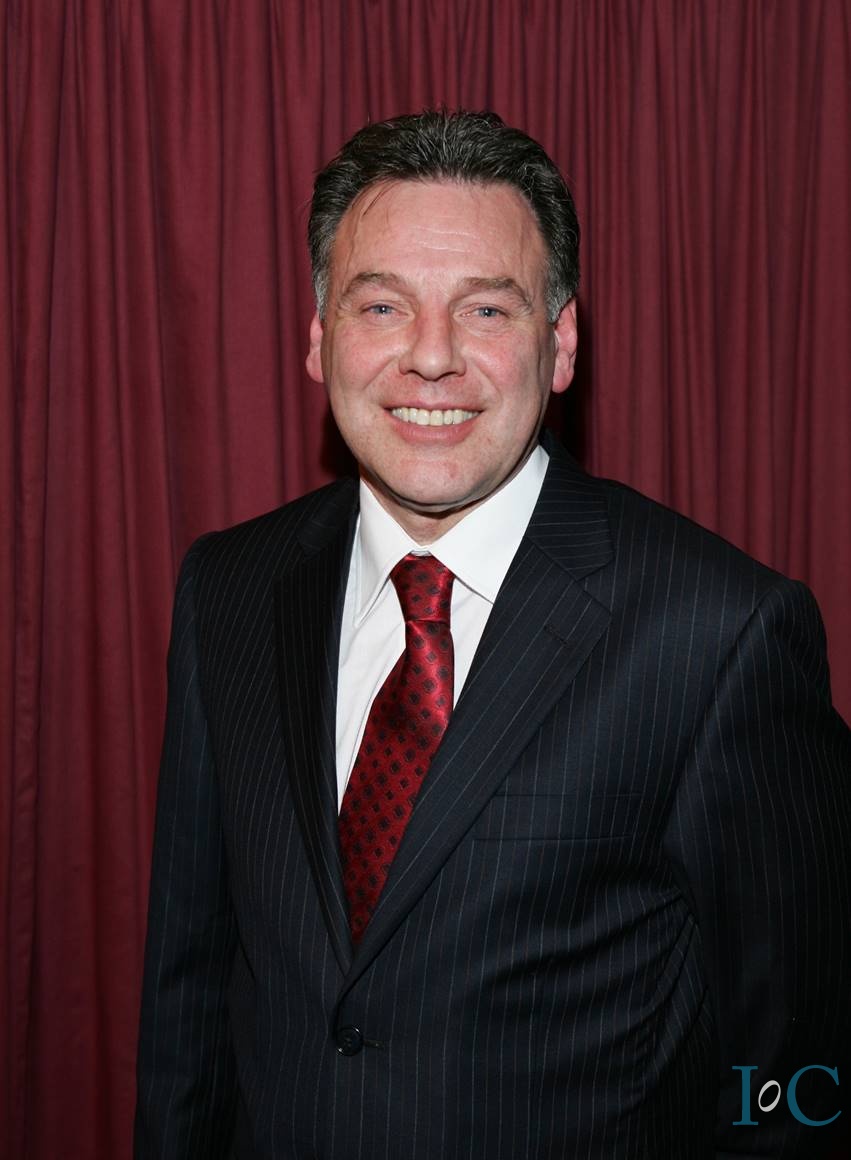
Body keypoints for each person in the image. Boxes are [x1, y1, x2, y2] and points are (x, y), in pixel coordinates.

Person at [135, 110, 851, 1159]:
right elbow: (188, 1001)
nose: (431, 358)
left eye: (484, 308)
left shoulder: (719, 632)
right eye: (382, 305)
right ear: (319, 336)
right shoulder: (228, 591)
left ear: (559, 345)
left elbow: (799, 1066)